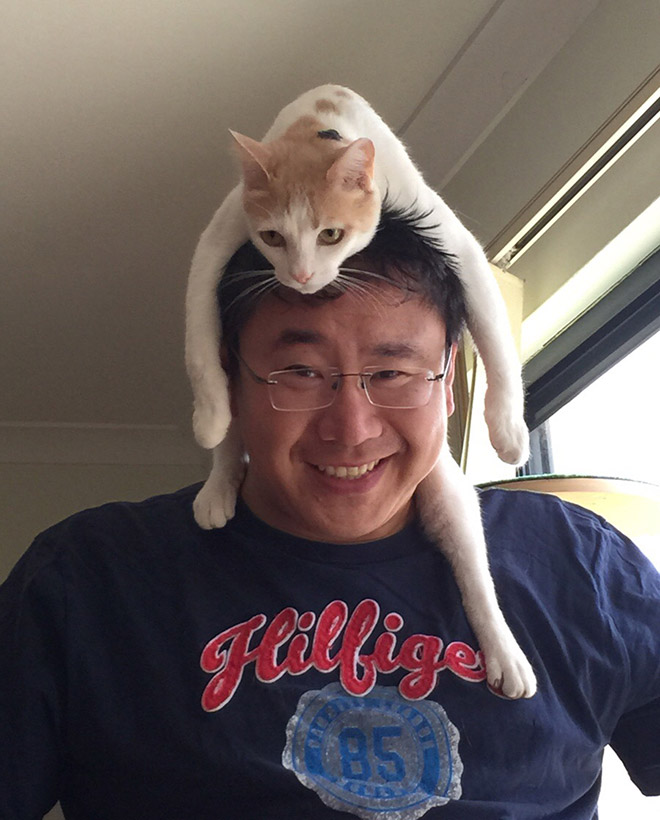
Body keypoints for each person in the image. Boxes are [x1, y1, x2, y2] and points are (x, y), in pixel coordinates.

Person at [1, 208, 659, 819]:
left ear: (449, 383)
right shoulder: (87, 577)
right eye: (301, 372)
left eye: (393, 373)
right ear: (228, 381)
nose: (351, 429)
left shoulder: (582, 564)